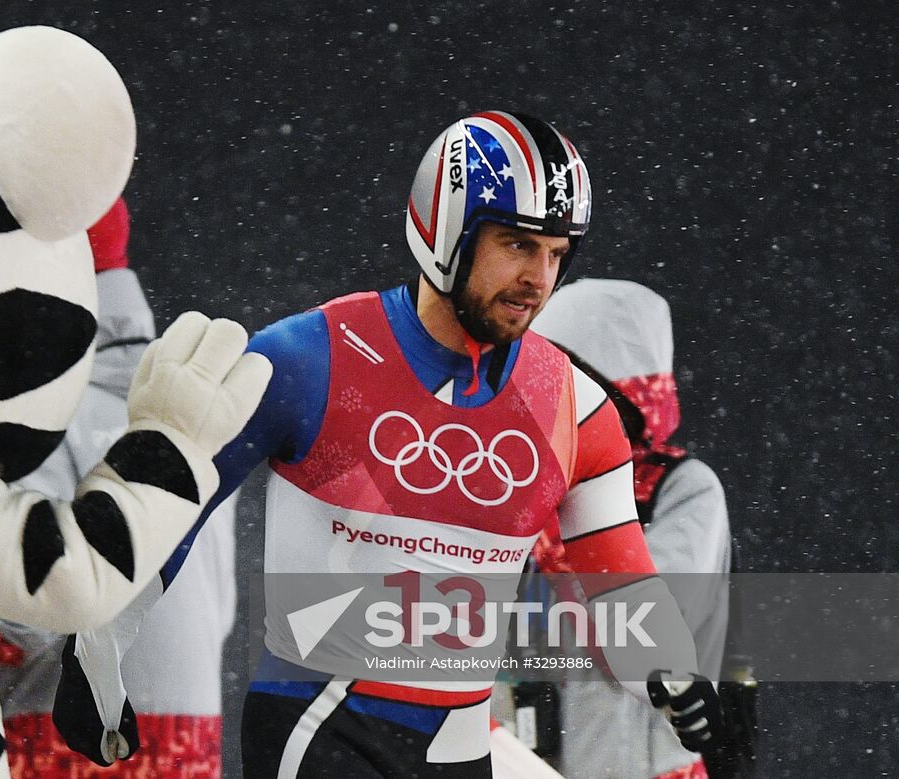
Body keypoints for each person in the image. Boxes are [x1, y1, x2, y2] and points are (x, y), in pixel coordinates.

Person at [57, 111, 722, 777]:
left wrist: (672, 675)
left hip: (460, 743)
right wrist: (98, 643)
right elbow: (173, 510)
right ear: (446, 226)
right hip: (319, 725)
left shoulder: (579, 411)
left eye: (557, 253)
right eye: (518, 244)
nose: (539, 279)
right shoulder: (310, 358)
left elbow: (621, 585)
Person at [0, 197, 238, 776]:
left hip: (65, 748)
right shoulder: (199, 419)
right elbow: (216, 613)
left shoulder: (42, 421)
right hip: (193, 750)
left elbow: (24, 616)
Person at [527, 278, 738, 779]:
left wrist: (566, 541)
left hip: (651, 765)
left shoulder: (683, 488)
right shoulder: (528, 486)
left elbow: (645, 623)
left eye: (570, 384)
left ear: (619, 392)